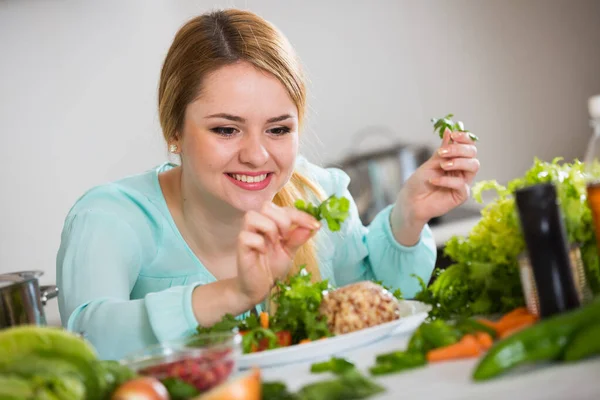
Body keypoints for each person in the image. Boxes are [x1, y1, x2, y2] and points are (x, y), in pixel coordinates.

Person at [56, 9, 480, 361]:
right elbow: (86, 339)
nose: (257, 155)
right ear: (176, 132)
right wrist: (234, 293)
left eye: (278, 129)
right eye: (226, 130)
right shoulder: (112, 218)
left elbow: (379, 306)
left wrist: (408, 216)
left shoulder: (317, 195)